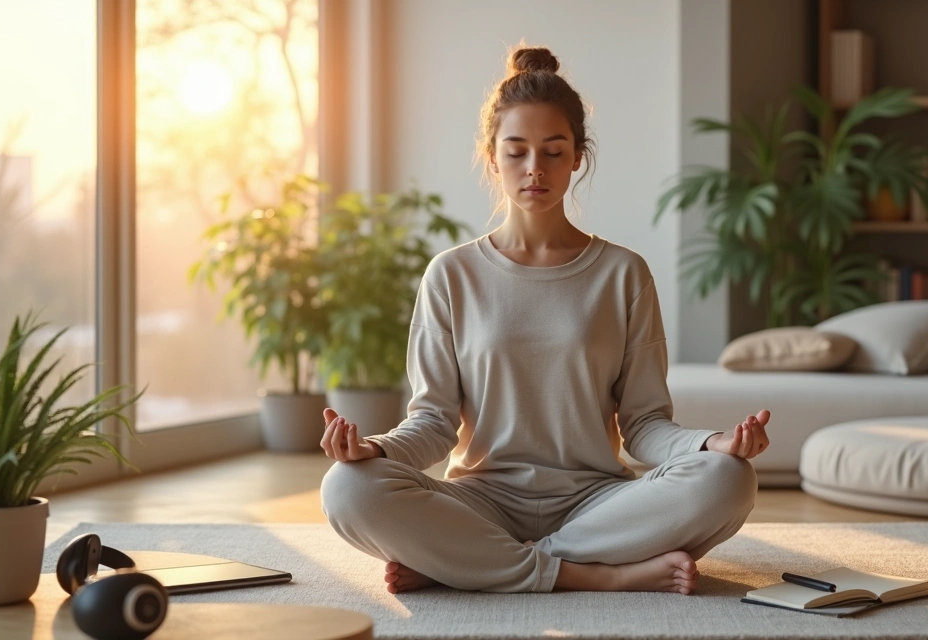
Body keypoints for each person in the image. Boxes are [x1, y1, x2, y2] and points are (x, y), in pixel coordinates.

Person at [319, 45, 770, 596]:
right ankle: (593, 575)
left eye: (554, 151)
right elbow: (434, 424)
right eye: (517, 152)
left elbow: (646, 425)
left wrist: (710, 444)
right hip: (481, 502)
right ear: (492, 158)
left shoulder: (623, 273)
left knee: (729, 479)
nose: (535, 168)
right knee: (346, 488)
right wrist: (376, 450)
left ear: (578, 157)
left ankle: (472, 565)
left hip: (597, 505)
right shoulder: (450, 275)